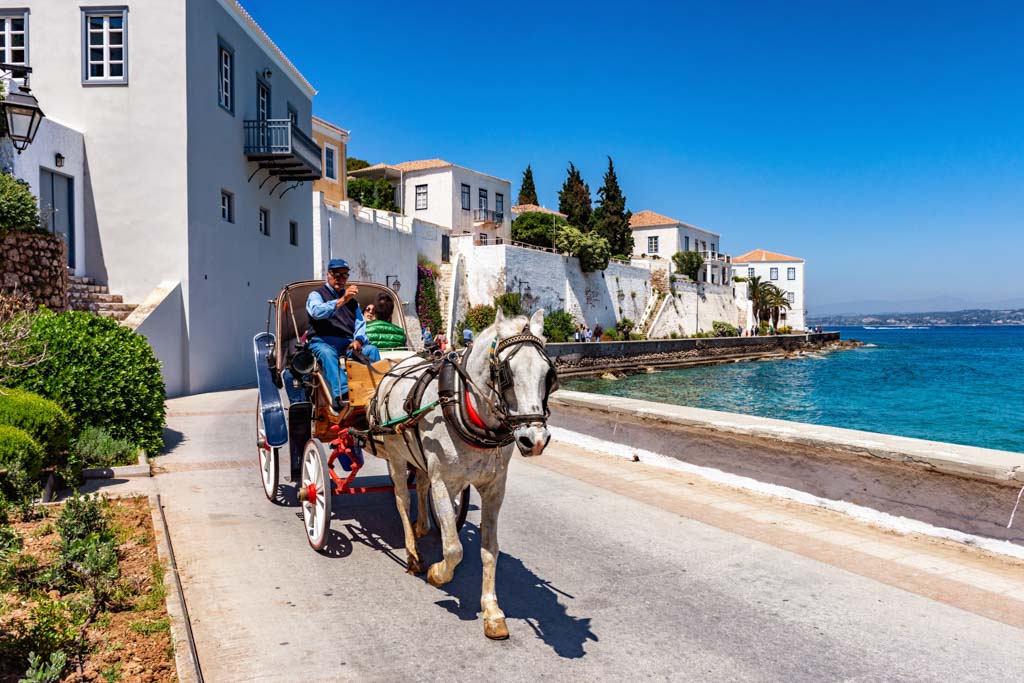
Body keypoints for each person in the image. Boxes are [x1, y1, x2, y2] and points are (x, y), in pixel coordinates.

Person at [305, 258, 381, 413]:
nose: (340, 279)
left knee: (371, 350)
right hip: (322, 341)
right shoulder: (317, 295)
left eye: (344, 275)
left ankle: (378, 390)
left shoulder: (353, 303)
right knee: (327, 353)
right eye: (336, 274)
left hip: (346, 343)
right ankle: (344, 395)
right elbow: (316, 312)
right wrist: (343, 299)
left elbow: (360, 324)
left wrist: (359, 340)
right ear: (328, 274)